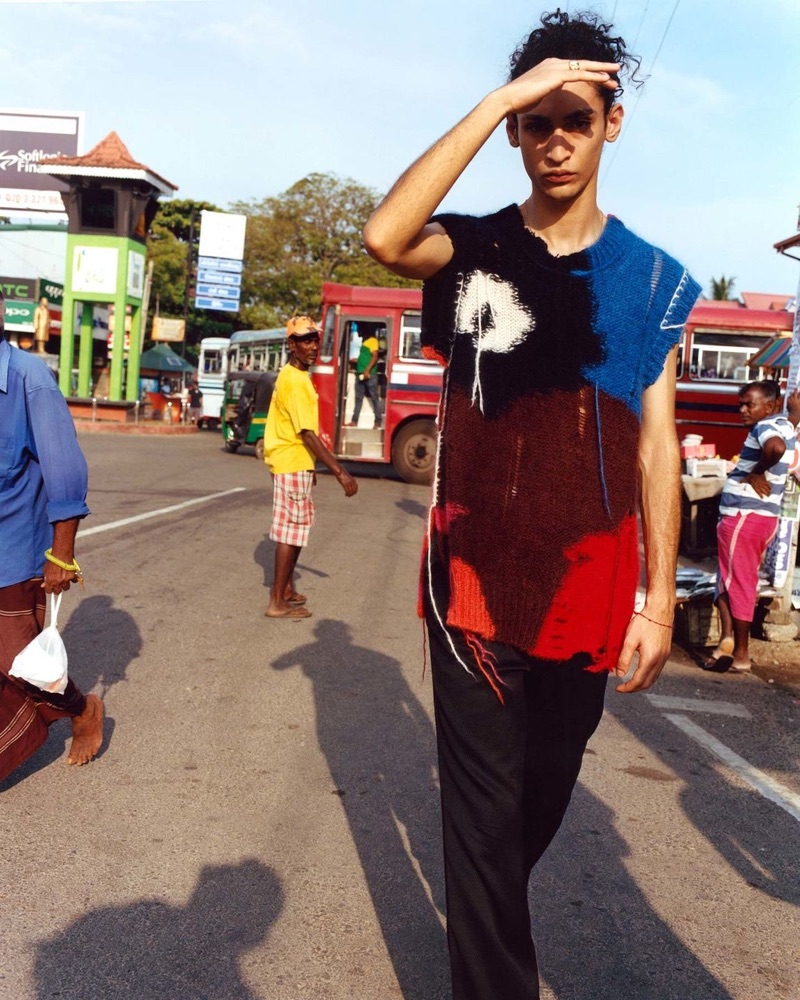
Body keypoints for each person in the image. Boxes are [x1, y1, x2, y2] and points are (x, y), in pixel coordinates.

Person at [363, 11, 701, 999]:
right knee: (477, 817)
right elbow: (386, 236)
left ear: (611, 126)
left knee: (532, 804)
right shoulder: (473, 254)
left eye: (573, 119)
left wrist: (654, 601)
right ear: (514, 129)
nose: (553, 138)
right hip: (468, 586)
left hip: (588, 595)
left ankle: (480, 920)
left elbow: (656, 443)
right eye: (534, 120)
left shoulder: (652, 280)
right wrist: (498, 97)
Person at [0, 290, 104, 783]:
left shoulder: (29, 379)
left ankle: (83, 709)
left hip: (14, 550)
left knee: (18, 662)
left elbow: (64, 471)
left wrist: (62, 556)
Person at [263, 316, 358, 620]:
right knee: (291, 532)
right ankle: (277, 601)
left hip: (294, 460)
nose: (313, 347)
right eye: (305, 341)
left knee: (298, 528)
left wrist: (311, 465)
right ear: (291, 345)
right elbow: (307, 433)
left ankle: (286, 590)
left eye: (315, 340)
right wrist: (340, 471)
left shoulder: (296, 376)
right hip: (290, 460)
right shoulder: (295, 381)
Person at [703, 381, 799, 674]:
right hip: (760, 519)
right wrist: (795, 414)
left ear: (769, 406)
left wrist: (755, 472)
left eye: (749, 404)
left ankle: (741, 653)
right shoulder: (785, 425)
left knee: (740, 584)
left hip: (743, 517)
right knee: (728, 578)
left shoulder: (765, 429)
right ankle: (727, 641)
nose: (742, 410)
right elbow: (783, 437)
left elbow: (775, 448)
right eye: (740, 404)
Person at [347, 330, 382, 428]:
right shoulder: (364, 342)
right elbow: (366, 358)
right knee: (358, 398)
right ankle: (354, 421)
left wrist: (367, 370)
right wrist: (356, 360)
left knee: (374, 398)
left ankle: (378, 421)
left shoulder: (373, 341)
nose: (359, 332)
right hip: (360, 374)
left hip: (369, 375)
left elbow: (375, 356)